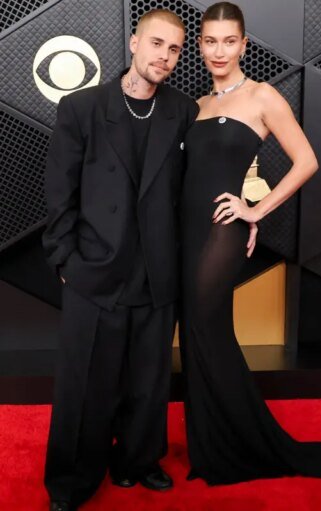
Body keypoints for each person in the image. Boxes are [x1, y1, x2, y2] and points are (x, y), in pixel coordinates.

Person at [178, 2, 321, 485]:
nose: (219, 50)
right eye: (210, 41)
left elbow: (306, 161)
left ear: (244, 44)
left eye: (228, 41)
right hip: (186, 231)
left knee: (205, 329)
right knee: (195, 337)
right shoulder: (196, 105)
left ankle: (248, 446)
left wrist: (255, 210)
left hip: (223, 229)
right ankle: (211, 448)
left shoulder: (262, 96)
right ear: (200, 45)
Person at [41, 9, 198, 511]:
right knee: (86, 384)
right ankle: (70, 481)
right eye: (156, 43)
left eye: (174, 49)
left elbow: (194, 189)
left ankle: (136, 462)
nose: (165, 56)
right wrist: (65, 259)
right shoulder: (82, 108)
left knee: (148, 381)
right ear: (133, 42)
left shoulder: (183, 111)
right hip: (94, 269)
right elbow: (60, 194)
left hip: (156, 271)